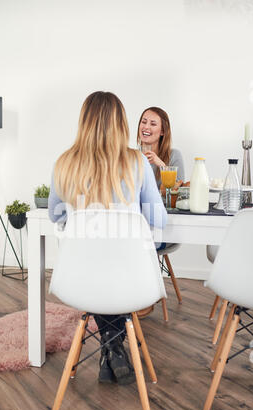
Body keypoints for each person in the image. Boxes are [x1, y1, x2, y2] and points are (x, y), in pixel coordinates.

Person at [48, 91, 167, 386]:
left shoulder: (65, 163)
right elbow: (158, 220)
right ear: (121, 123)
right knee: (114, 269)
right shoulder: (137, 162)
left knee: (99, 271)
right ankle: (114, 345)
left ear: (84, 122)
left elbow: (55, 215)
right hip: (130, 277)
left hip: (80, 278)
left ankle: (110, 345)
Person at [137, 107, 184, 189]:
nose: (146, 127)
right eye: (144, 122)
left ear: (162, 131)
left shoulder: (174, 155)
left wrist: (161, 165)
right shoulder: (130, 157)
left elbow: (179, 191)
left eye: (153, 124)